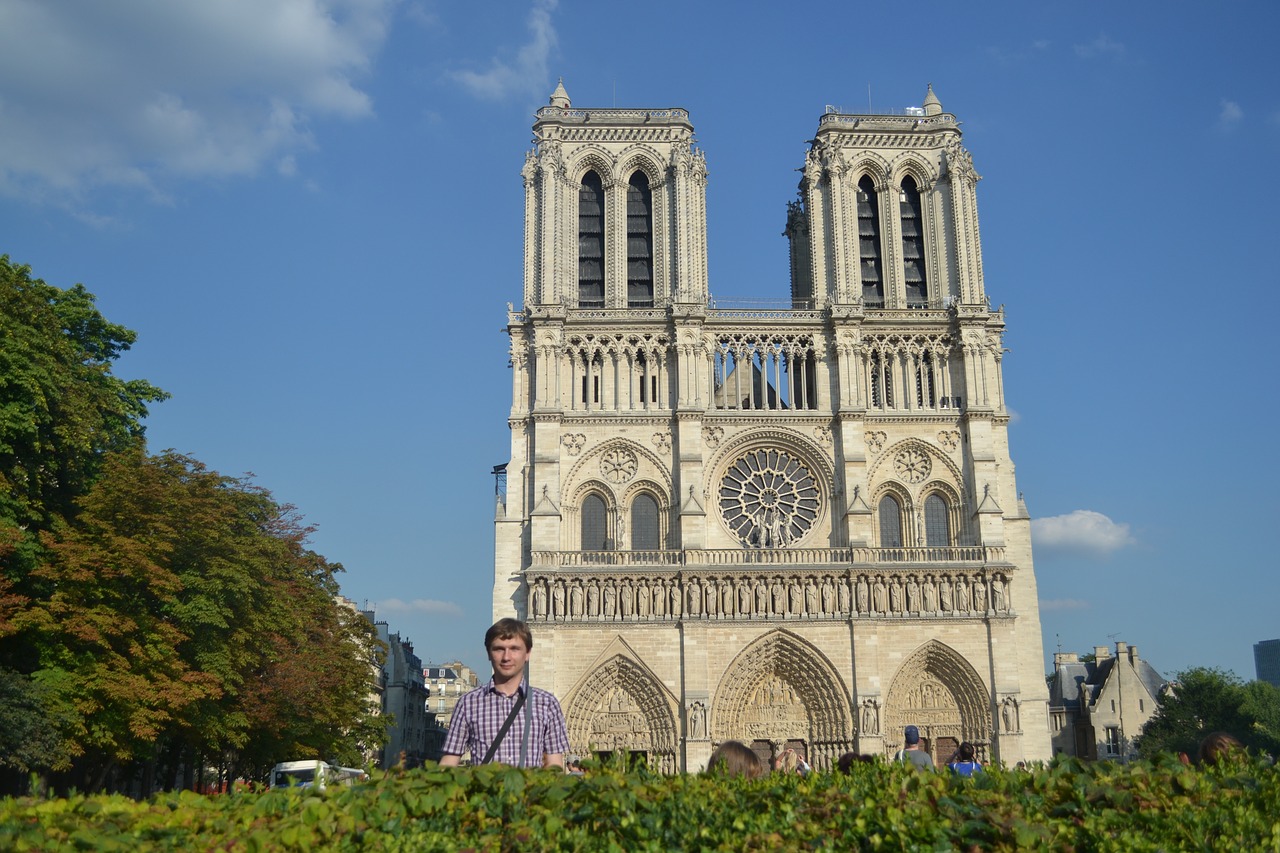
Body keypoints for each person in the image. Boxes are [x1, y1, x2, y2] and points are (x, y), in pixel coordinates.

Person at [439, 618, 569, 769]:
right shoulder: (468, 703)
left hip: (528, 792)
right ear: (489, 654)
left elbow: (554, 766)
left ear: (527, 654)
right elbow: (449, 762)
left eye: (514, 649)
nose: (506, 657)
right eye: (499, 649)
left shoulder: (547, 704)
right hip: (486, 792)